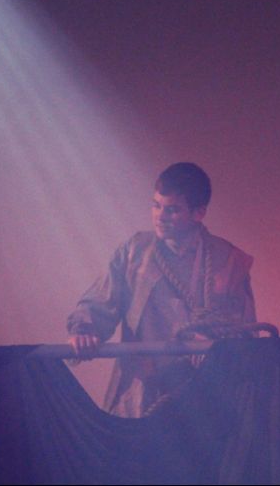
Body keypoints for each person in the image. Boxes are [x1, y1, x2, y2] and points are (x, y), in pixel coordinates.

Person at [67, 162, 257, 417]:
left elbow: (244, 334)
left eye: (172, 210)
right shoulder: (134, 252)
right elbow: (102, 299)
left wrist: (214, 345)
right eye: (156, 205)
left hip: (204, 398)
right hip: (141, 394)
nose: (160, 216)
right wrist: (84, 330)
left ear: (199, 213)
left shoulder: (229, 261)